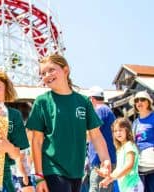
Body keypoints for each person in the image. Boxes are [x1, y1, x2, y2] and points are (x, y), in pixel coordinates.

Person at [25, 54, 111, 192]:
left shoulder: (83, 101)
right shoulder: (42, 102)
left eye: (51, 70)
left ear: (66, 70)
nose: (47, 75)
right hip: (52, 170)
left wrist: (105, 160)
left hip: (76, 171)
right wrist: (39, 176)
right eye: (43, 73)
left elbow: (96, 135)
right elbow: (36, 141)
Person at [97, 118, 143, 192]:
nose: (118, 133)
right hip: (126, 188)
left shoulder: (129, 145)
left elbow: (129, 166)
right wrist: (108, 179)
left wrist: (114, 177)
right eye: (115, 131)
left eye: (120, 130)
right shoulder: (120, 149)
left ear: (127, 131)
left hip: (133, 186)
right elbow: (118, 169)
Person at [86, 86, 117, 192]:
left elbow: (91, 133)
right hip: (104, 160)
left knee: (96, 188)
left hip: (101, 161)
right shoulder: (107, 110)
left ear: (92, 99)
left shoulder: (100, 110)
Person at [130, 91, 154, 192]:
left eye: (142, 99)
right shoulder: (135, 122)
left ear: (148, 102)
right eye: (137, 100)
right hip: (139, 166)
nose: (139, 102)